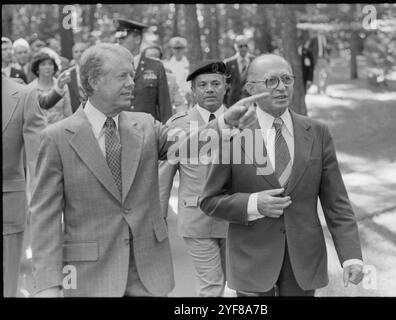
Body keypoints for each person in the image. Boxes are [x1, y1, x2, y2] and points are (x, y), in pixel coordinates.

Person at [29, 42, 257, 297]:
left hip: (148, 273)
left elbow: (186, 143)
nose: (131, 82)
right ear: (94, 82)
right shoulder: (57, 138)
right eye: (122, 76)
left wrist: (224, 123)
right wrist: (47, 286)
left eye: (131, 74)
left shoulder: (146, 125)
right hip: (88, 276)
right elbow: (44, 219)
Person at [200, 54, 364, 297]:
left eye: (287, 79)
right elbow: (209, 200)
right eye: (271, 81)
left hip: (304, 264)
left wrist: (351, 256)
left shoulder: (317, 132)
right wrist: (254, 204)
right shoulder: (233, 135)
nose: (281, 87)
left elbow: (336, 202)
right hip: (251, 264)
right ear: (250, 89)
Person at [159, 60, 230, 297]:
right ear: (193, 90)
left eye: (215, 83)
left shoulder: (244, 122)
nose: (209, 89)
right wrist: (159, 221)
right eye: (202, 85)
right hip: (196, 218)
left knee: (241, 286)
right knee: (211, 286)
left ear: (225, 87)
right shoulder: (178, 127)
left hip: (236, 220)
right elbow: (163, 178)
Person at [2, 76, 47, 297]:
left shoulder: (24, 95)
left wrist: (43, 208)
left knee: (6, 285)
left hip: (7, 207)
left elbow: (38, 159)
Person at [115, 18, 172, 123]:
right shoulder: (112, 67)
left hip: (148, 133)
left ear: (137, 39)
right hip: (120, 131)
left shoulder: (156, 67)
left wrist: (166, 133)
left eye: (123, 38)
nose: (119, 41)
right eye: (118, 38)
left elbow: (165, 107)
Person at [27, 49, 72, 124]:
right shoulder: (30, 88)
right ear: (37, 69)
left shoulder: (62, 86)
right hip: (39, 131)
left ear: (54, 68)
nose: (47, 67)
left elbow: (68, 113)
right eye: (43, 64)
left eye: (50, 64)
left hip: (59, 130)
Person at [144, 41, 186, 114]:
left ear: (160, 61)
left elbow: (180, 104)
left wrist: (179, 118)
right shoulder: (137, 79)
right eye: (148, 59)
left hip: (166, 120)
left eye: (155, 58)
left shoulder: (171, 79)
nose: (151, 63)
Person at [224, 35, 256, 107]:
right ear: (236, 47)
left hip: (251, 102)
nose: (244, 48)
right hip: (233, 103)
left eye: (245, 46)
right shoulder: (228, 63)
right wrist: (224, 102)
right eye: (241, 46)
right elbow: (224, 85)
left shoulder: (255, 61)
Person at [164, 36, 192, 107]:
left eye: (180, 48)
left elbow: (189, 82)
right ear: (172, 50)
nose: (178, 51)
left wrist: (189, 93)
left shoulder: (189, 64)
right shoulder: (167, 65)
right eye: (176, 48)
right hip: (171, 97)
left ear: (184, 49)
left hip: (185, 97)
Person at [65, 42, 88, 112]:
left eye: (82, 51)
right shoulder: (67, 72)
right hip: (76, 111)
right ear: (73, 54)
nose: (79, 54)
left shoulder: (95, 71)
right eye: (76, 52)